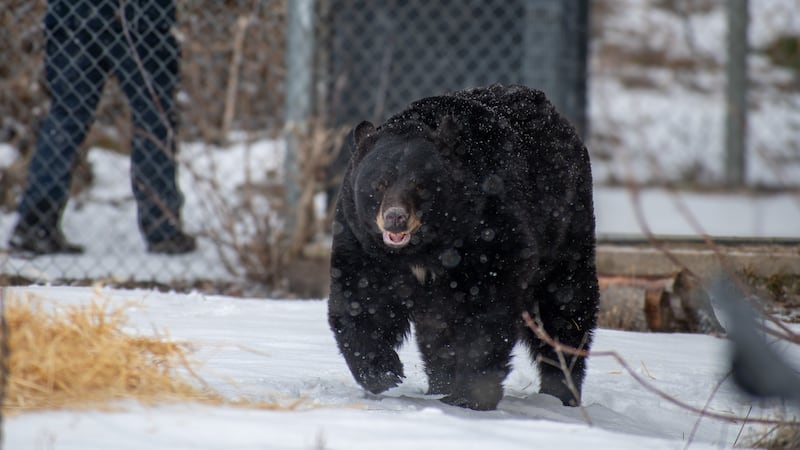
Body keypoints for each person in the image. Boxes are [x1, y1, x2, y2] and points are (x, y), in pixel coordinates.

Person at [9, 0, 195, 255]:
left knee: (66, 117)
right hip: (139, 18)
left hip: (74, 15)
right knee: (154, 119)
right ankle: (162, 229)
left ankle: (35, 226)